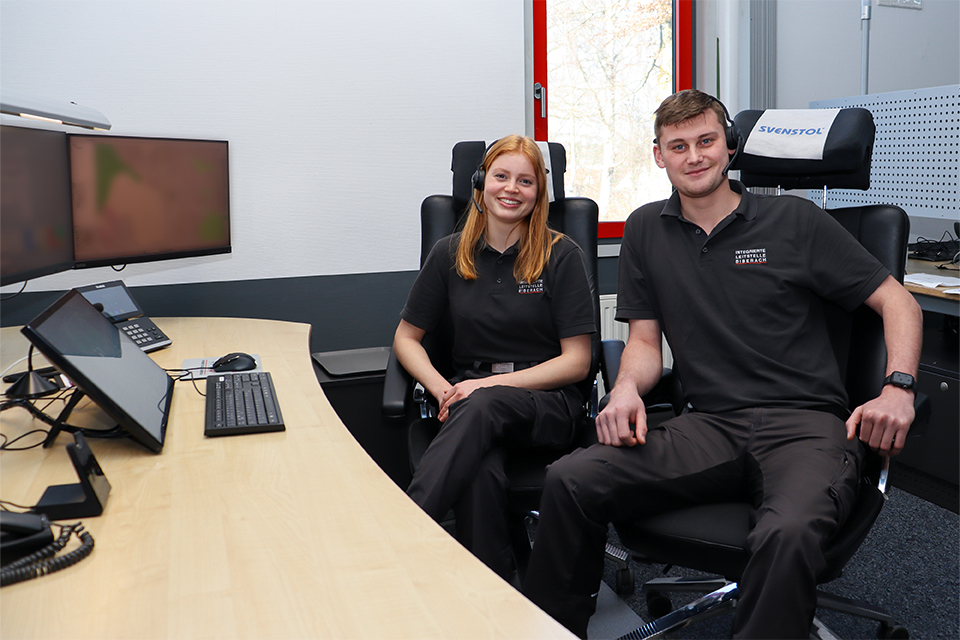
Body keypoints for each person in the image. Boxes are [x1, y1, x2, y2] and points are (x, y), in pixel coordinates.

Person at [521, 90, 923, 638]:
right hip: (708, 424)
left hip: (804, 426)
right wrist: (624, 392)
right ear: (659, 155)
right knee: (570, 478)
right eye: (678, 145)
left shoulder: (793, 220)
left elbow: (896, 301)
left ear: (729, 146)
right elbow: (643, 341)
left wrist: (898, 386)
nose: (694, 156)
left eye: (706, 141)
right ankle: (554, 629)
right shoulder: (645, 229)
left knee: (786, 533)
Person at [394, 135, 596, 580]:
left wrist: (482, 388)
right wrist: (443, 388)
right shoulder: (449, 254)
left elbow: (577, 361)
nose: (512, 188)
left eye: (526, 180)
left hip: (548, 404)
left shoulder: (561, 255)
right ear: (481, 183)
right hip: (470, 405)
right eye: (501, 176)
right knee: (479, 475)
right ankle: (492, 598)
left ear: (539, 192)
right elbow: (406, 338)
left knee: (481, 406)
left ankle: (400, 533)